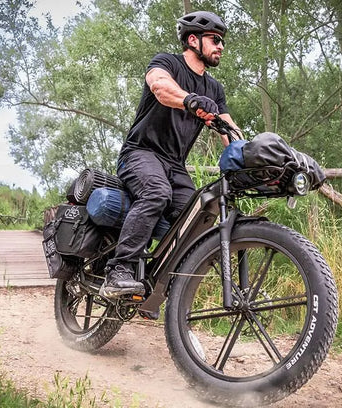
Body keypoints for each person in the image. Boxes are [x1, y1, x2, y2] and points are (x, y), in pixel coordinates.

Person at [99, 10, 242, 299]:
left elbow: (229, 129)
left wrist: (252, 152)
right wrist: (188, 100)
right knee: (156, 191)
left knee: (197, 216)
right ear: (193, 39)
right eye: (215, 39)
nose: (221, 46)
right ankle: (119, 271)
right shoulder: (167, 62)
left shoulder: (214, 89)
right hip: (140, 153)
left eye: (222, 41)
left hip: (175, 165)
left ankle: (162, 286)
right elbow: (160, 86)